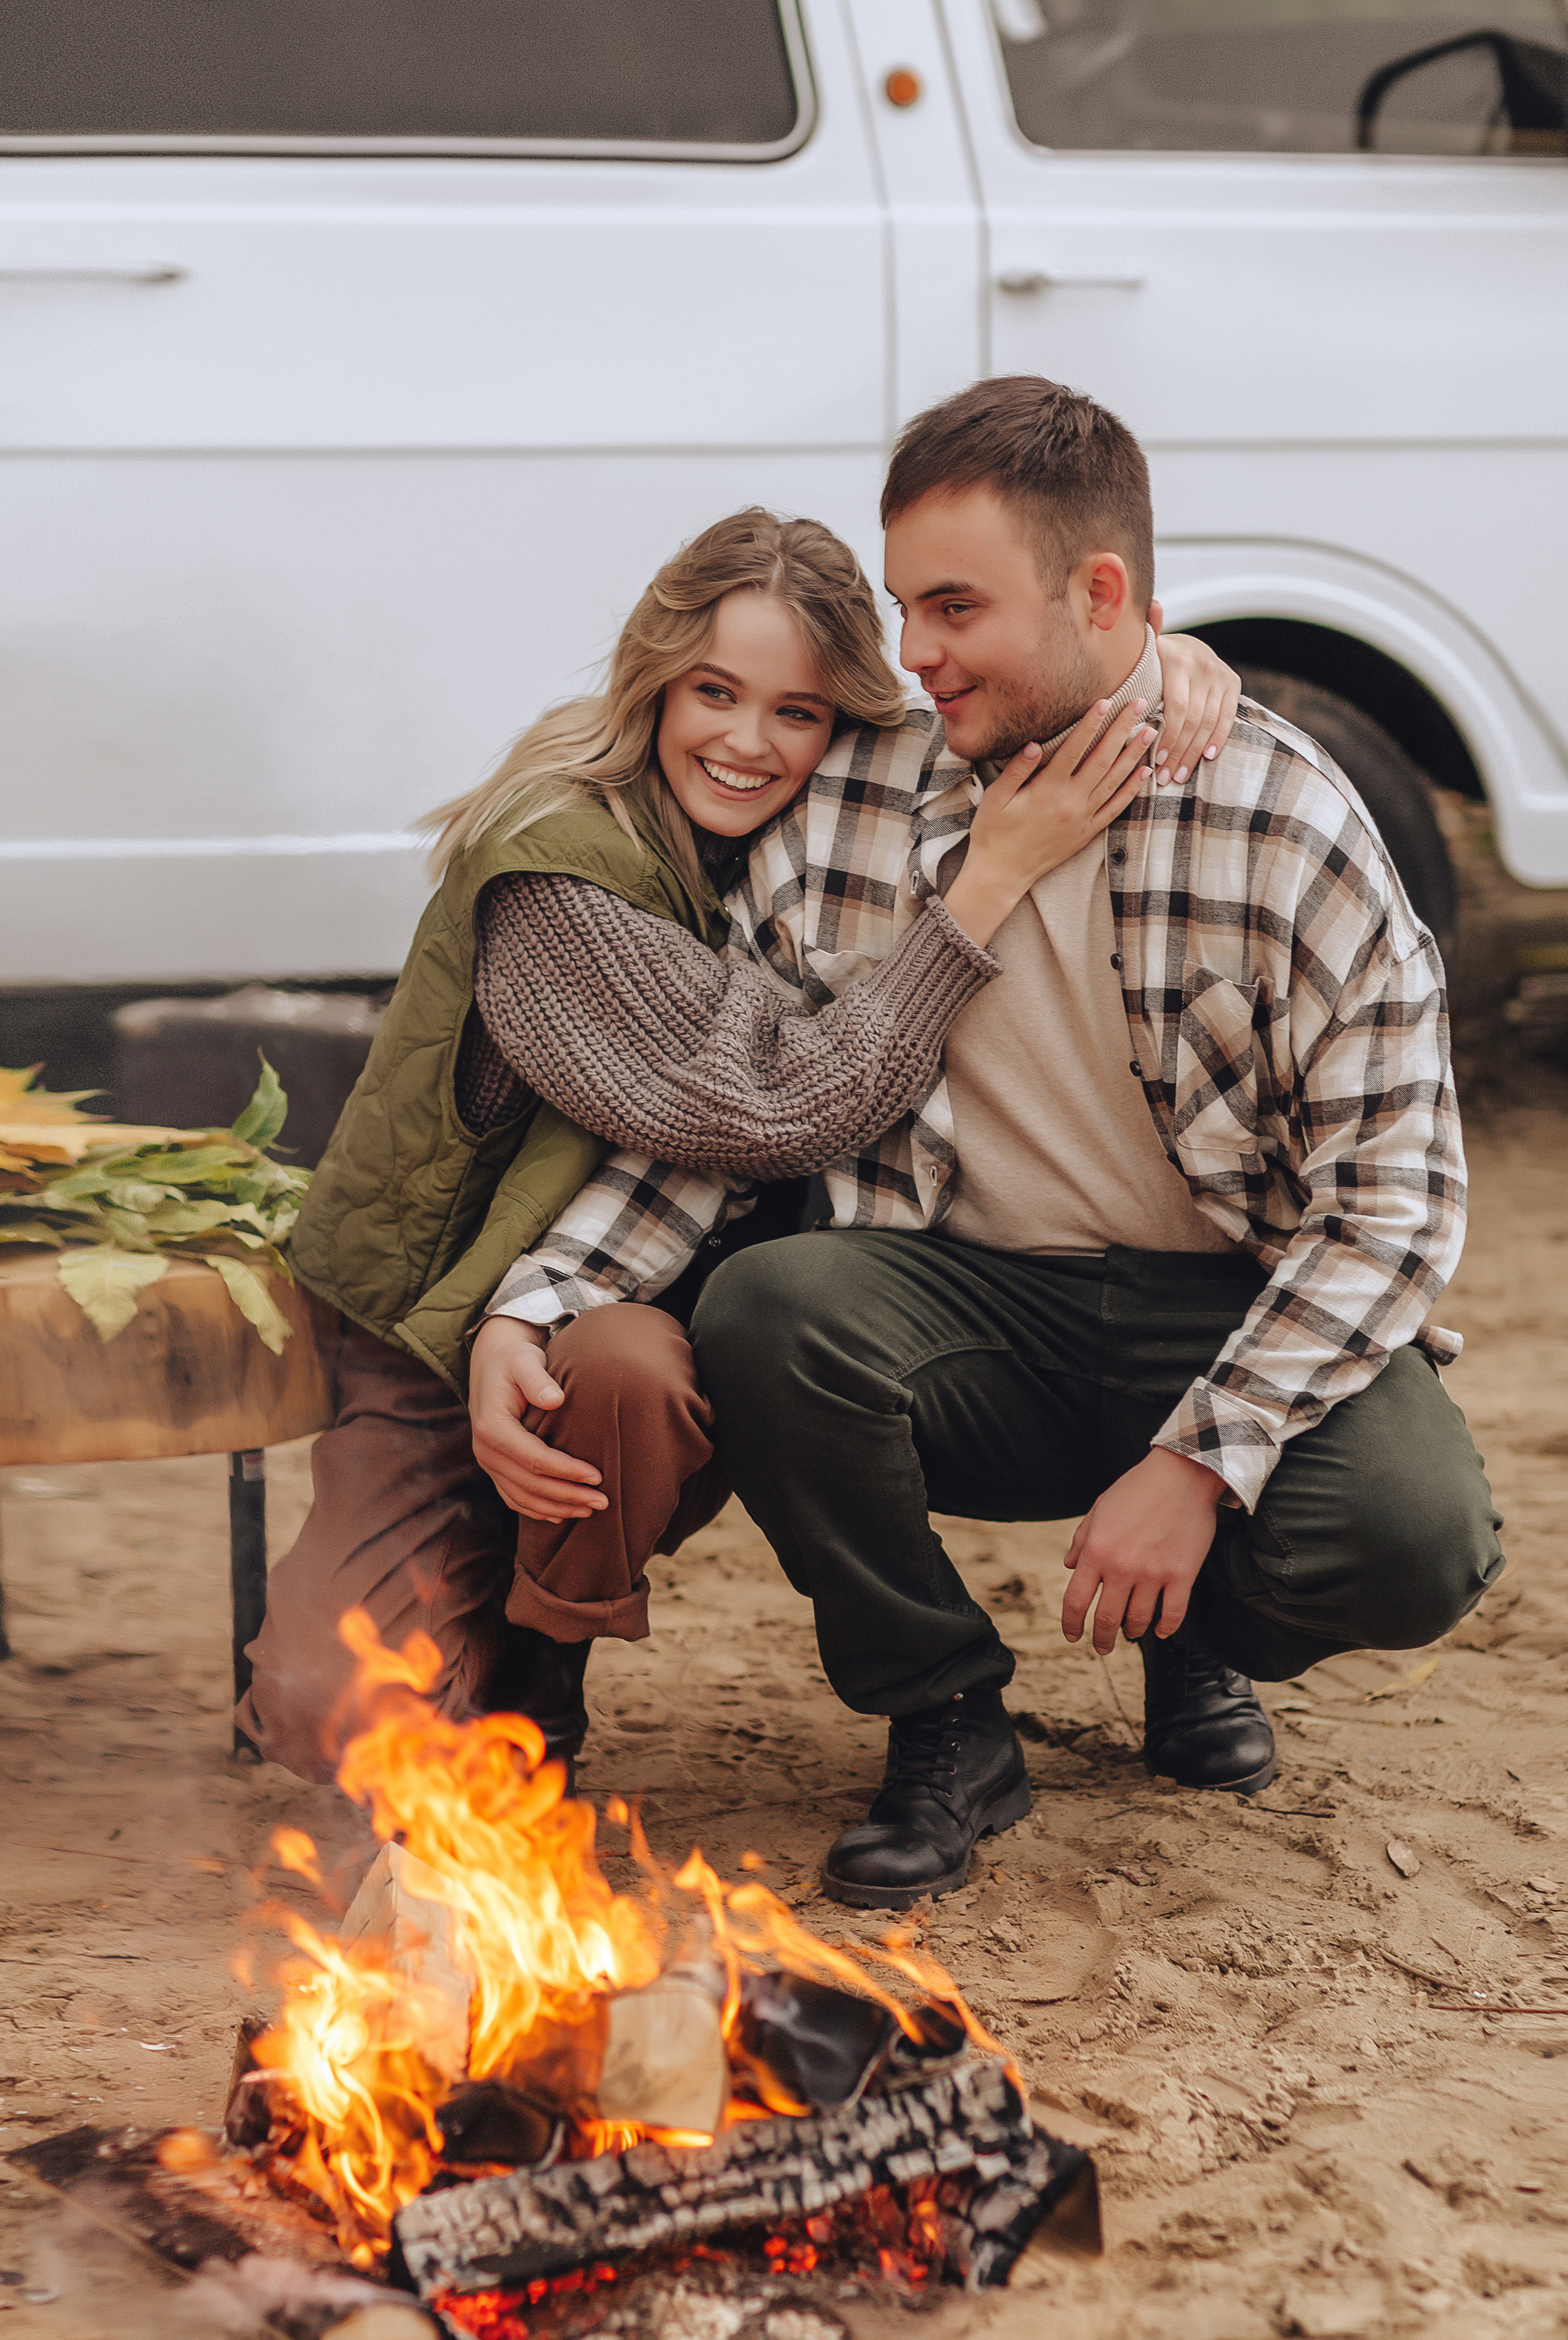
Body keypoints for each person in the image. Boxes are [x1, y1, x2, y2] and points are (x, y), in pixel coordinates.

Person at [483, 378, 1505, 1910]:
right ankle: (943, 1712)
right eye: (903, 611)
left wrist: (1199, 1466)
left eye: (952, 608)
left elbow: (1396, 1213)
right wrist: (539, 1301)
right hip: (969, 1313)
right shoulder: (856, 808)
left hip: (1213, 1308)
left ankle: (1196, 1638)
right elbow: (734, 1108)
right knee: (773, 1310)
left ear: (1102, 596)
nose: (912, 657)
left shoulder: (1284, 824)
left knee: (1411, 1537)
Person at [239, 505, 1239, 1780]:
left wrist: (1169, 672)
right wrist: (979, 891)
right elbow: (775, 1110)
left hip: (634, 1302)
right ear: (655, 677)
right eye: (713, 692)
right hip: (446, 1327)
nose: (747, 742)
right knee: (329, 1714)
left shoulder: (796, 810)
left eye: (796, 712)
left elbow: (997, 713)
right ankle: (470, 1596)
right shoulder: (558, 872)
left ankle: (545, 1650)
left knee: (633, 1371)